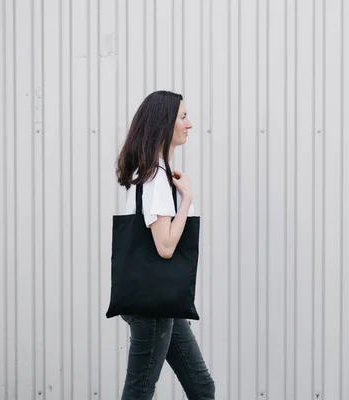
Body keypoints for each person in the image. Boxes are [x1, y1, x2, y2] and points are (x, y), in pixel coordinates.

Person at [114, 90, 215, 400]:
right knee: (139, 392)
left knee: (202, 387)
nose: (190, 124)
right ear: (164, 123)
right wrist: (187, 199)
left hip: (160, 304)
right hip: (153, 309)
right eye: (183, 117)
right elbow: (166, 246)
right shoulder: (155, 177)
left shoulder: (153, 172)